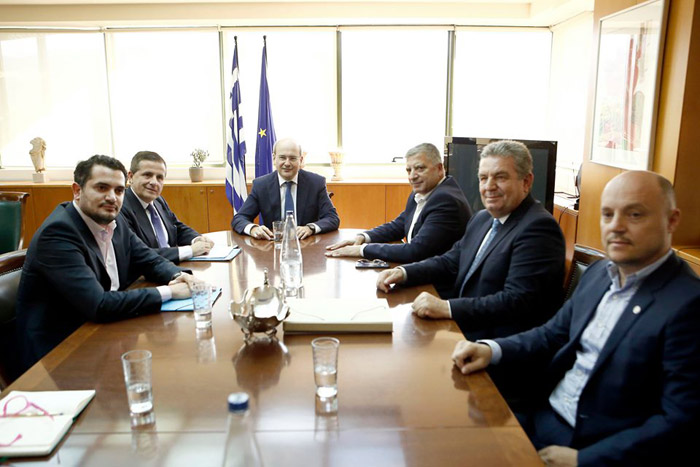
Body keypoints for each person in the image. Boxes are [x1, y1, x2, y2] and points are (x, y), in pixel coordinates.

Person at [451, 171, 700, 466]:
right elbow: (551, 334)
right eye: (608, 214)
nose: (616, 226)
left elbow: (680, 419)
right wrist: (491, 349)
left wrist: (585, 459)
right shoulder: (599, 274)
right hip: (541, 414)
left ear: (671, 220)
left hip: (593, 445)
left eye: (634, 214)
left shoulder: (688, 305)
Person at [16, 155, 199, 371]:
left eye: (119, 190)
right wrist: (170, 292)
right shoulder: (58, 233)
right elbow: (98, 304)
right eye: (102, 188)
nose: (112, 197)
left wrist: (179, 275)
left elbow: (148, 259)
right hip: (59, 354)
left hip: (102, 331)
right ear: (77, 190)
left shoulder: (114, 220)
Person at [376, 140, 565, 341]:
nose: (489, 186)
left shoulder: (539, 228)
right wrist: (403, 272)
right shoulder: (482, 218)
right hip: (466, 328)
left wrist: (447, 307)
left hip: (497, 343)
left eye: (500, 177)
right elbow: (450, 261)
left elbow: (515, 301)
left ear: (526, 182)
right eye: (483, 178)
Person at [325, 143, 471, 263]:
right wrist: (363, 237)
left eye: (420, 168)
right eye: (409, 170)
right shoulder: (423, 191)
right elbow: (399, 225)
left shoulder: (446, 200)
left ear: (439, 169)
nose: (412, 176)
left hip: (437, 284)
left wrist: (362, 250)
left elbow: (416, 250)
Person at [231, 138, 339, 240]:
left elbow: (332, 218)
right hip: (273, 244)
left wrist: (310, 228)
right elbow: (239, 218)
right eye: (282, 157)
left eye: (292, 158)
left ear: (301, 160)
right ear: (274, 159)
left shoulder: (316, 183)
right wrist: (253, 229)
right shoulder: (261, 185)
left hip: (307, 244)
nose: (287, 163)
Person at [120, 151, 214, 263]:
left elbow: (177, 228)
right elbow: (139, 254)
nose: (154, 182)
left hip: (173, 267)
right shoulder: (122, 208)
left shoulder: (158, 200)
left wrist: (197, 239)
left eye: (159, 177)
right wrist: (190, 250)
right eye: (147, 175)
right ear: (130, 176)